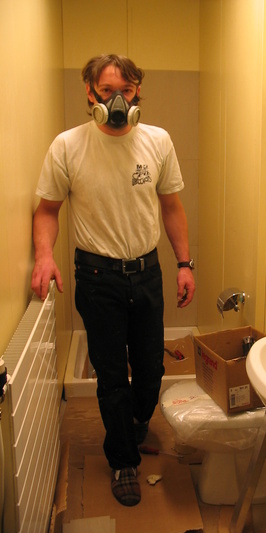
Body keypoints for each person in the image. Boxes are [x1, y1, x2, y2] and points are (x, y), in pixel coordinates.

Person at [31, 54, 195, 507]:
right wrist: (44, 255)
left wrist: (185, 263)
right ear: (90, 93)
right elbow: (47, 209)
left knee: (150, 370)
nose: (117, 98)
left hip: (146, 272)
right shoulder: (67, 146)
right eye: (107, 91)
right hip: (97, 276)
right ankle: (123, 459)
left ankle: (135, 425)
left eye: (126, 87)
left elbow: (171, 206)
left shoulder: (158, 141)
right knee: (110, 376)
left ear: (138, 90)